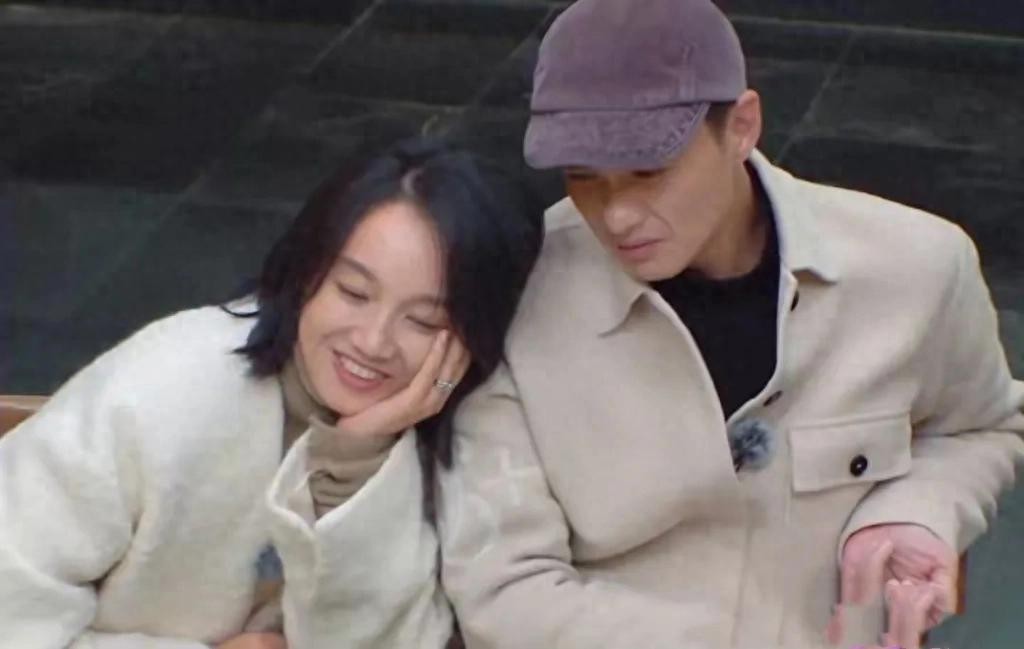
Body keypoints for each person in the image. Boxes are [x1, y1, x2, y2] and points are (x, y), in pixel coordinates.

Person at [437, 1, 1024, 648]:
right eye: (582, 176)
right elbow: (503, 586)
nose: (618, 214)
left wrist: (915, 514)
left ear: (742, 126)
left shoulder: (920, 268)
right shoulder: (515, 295)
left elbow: (982, 426)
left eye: (649, 170)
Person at [0, 137, 543, 649]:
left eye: (424, 321)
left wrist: (355, 461)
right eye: (353, 292)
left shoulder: (479, 436)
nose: (373, 341)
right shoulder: (168, 386)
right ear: (306, 272)